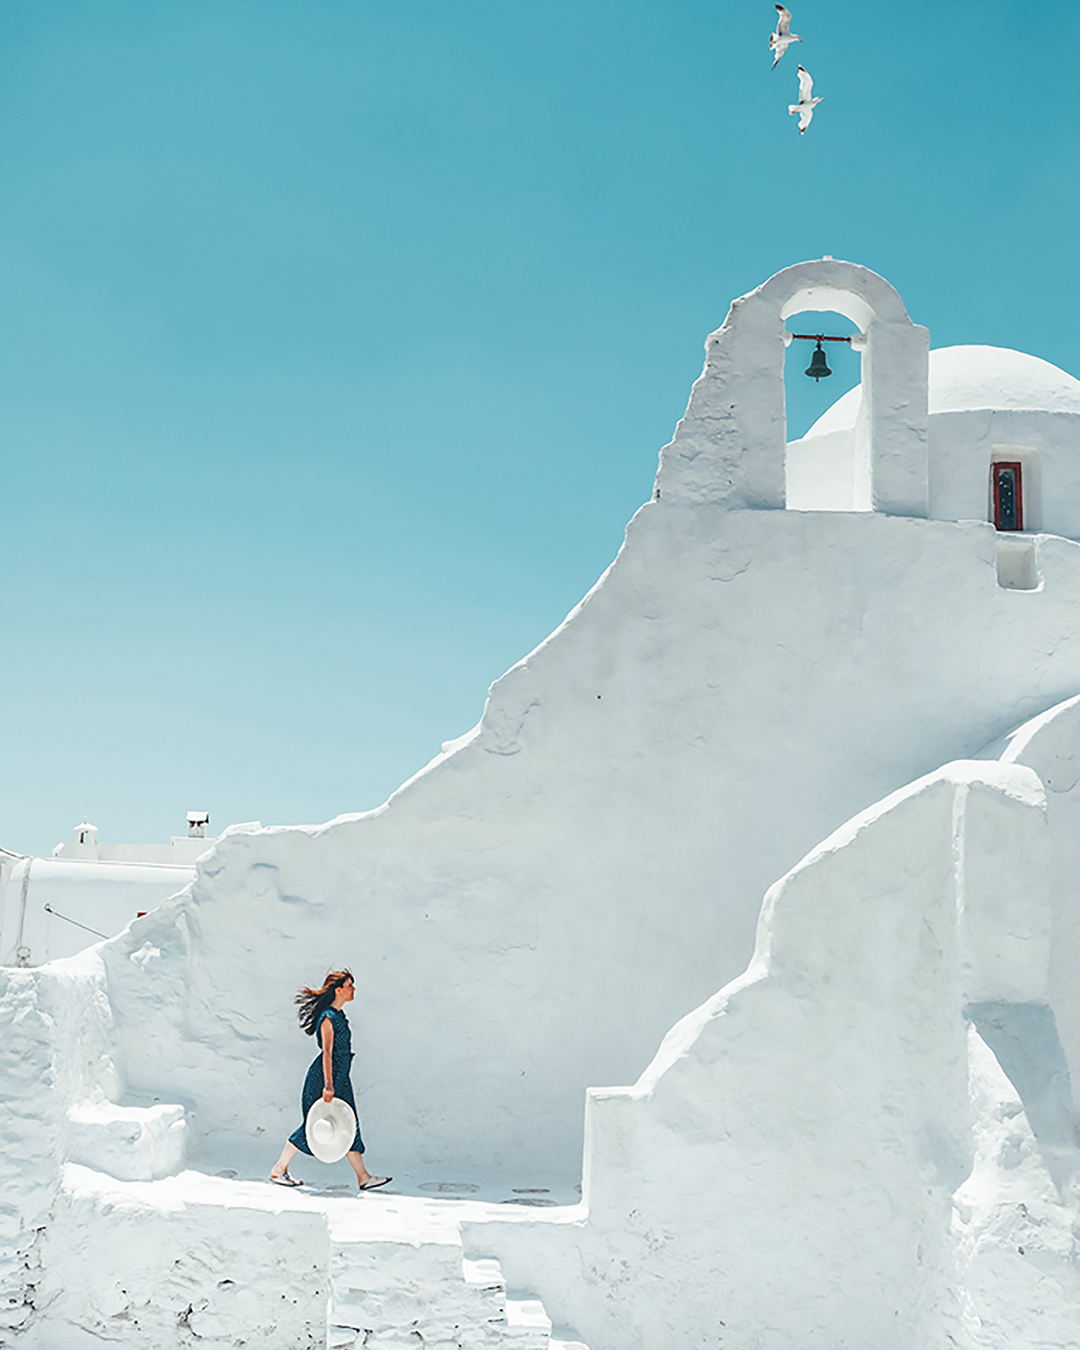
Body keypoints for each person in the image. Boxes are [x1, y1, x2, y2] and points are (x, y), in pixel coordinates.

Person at [270, 968, 390, 1192]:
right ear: (338, 990)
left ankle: (363, 1177)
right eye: (349, 985)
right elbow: (327, 1052)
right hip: (326, 1078)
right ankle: (278, 1169)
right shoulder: (328, 1018)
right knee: (314, 1125)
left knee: (348, 1121)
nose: (353, 989)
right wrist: (328, 1084)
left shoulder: (339, 1015)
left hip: (340, 1076)